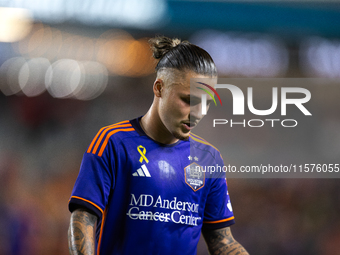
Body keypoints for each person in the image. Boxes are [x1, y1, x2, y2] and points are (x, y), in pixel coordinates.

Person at [68, 36, 249, 255]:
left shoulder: (208, 159)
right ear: (159, 88)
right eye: (189, 100)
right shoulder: (113, 142)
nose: (199, 113)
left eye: (207, 103)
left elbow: (222, 242)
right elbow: (83, 217)